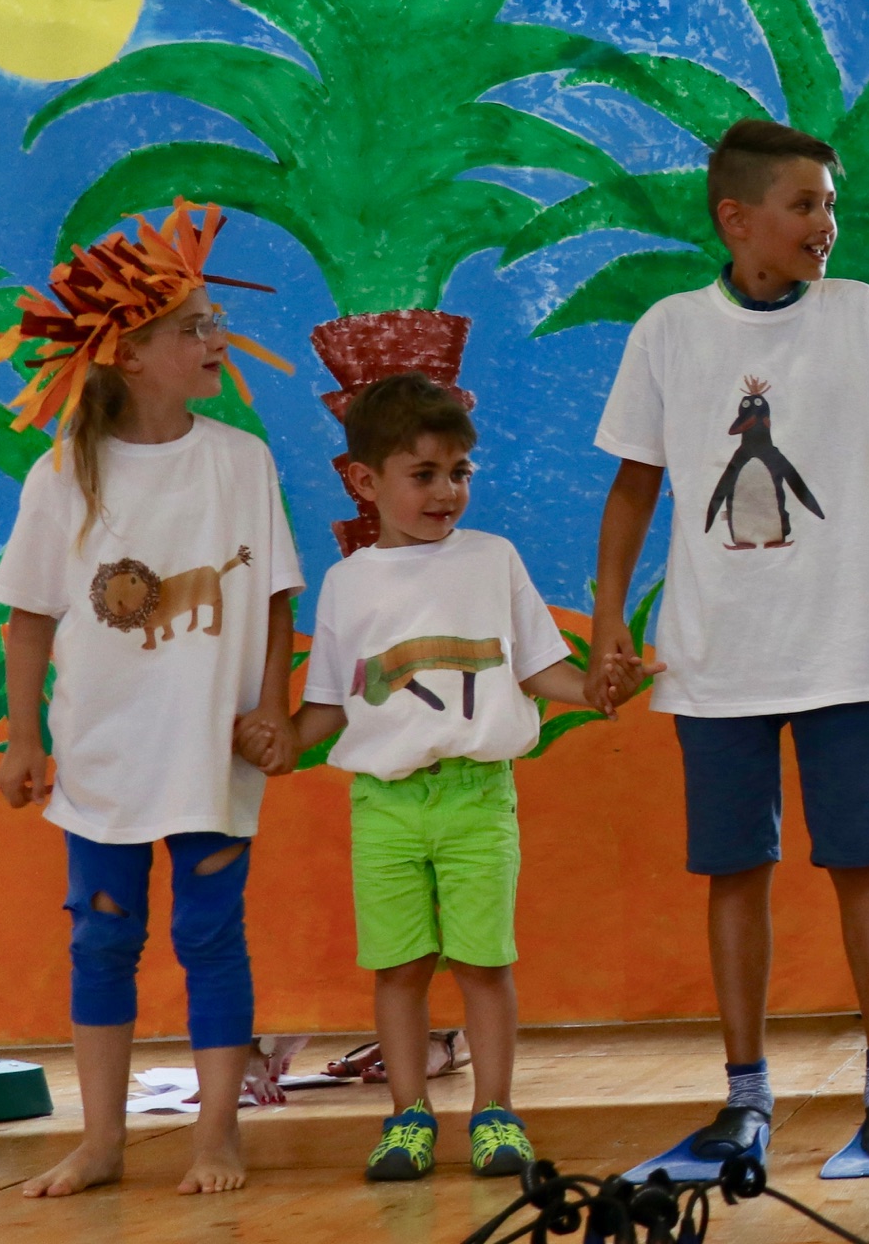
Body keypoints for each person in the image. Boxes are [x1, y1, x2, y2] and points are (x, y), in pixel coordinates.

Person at [589, 118, 869, 1167]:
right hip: (715, 655)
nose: (825, 224)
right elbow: (632, 489)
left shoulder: (860, 315)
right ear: (737, 218)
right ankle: (745, 1093)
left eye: (830, 206)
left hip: (843, 645)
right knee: (736, 869)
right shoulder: (670, 329)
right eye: (804, 205)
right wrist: (610, 620)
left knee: (862, 858)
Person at [0, 201, 301, 1199]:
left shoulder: (241, 461)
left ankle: (217, 1136)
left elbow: (276, 597)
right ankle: (102, 1140)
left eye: (216, 321)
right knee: (102, 936)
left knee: (210, 934)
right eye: (194, 327)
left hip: (210, 750)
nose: (218, 339)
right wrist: (23, 737)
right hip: (104, 754)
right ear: (127, 353)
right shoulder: (62, 477)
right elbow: (29, 619)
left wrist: (272, 707)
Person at [283, 373, 635, 1181]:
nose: (447, 491)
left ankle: (494, 1112)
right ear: (364, 481)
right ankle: (408, 1117)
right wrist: (270, 742)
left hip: (479, 796)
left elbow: (541, 669)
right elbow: (326, 707)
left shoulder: (493, 560)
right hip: (384, 805)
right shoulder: (346, 584)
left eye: (459, 472)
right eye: (424, 474)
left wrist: (597, 688)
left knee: (483, 963)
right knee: (400, 968)